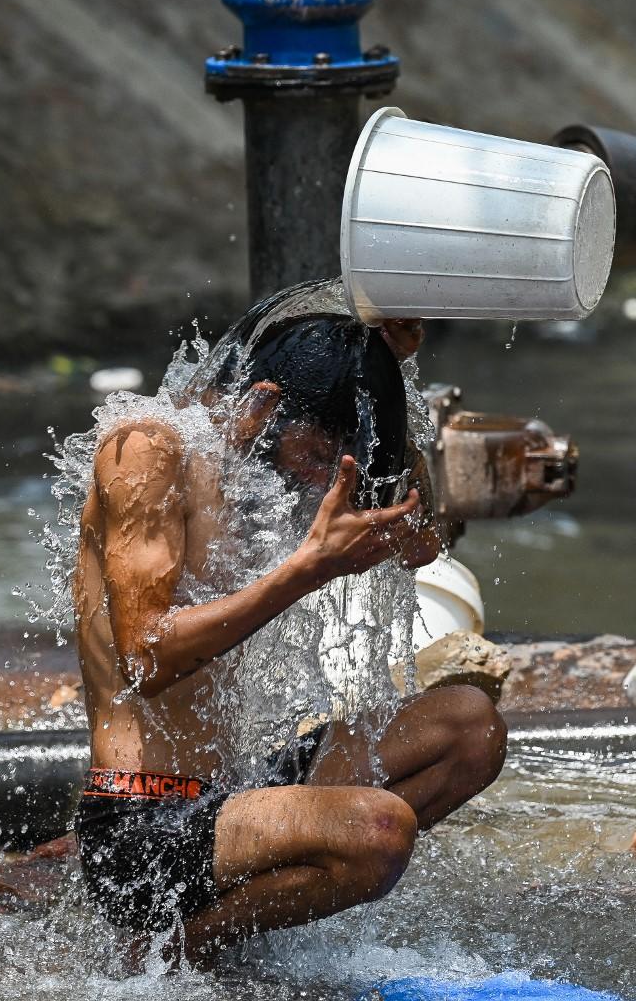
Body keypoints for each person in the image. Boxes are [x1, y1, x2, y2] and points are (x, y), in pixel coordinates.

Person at [73, 284, 507, 964]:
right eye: (315, 454)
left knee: (470, 726)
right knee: (379, 831)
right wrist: (305, 570)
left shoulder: (263, 474)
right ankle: (168, 953)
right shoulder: (145, 451)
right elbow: (146, 656)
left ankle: (269, 894)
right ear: (265, 405)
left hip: (238, 793)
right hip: (144, 822)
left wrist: (389, 368)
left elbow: (424, 539)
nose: (317, 480)